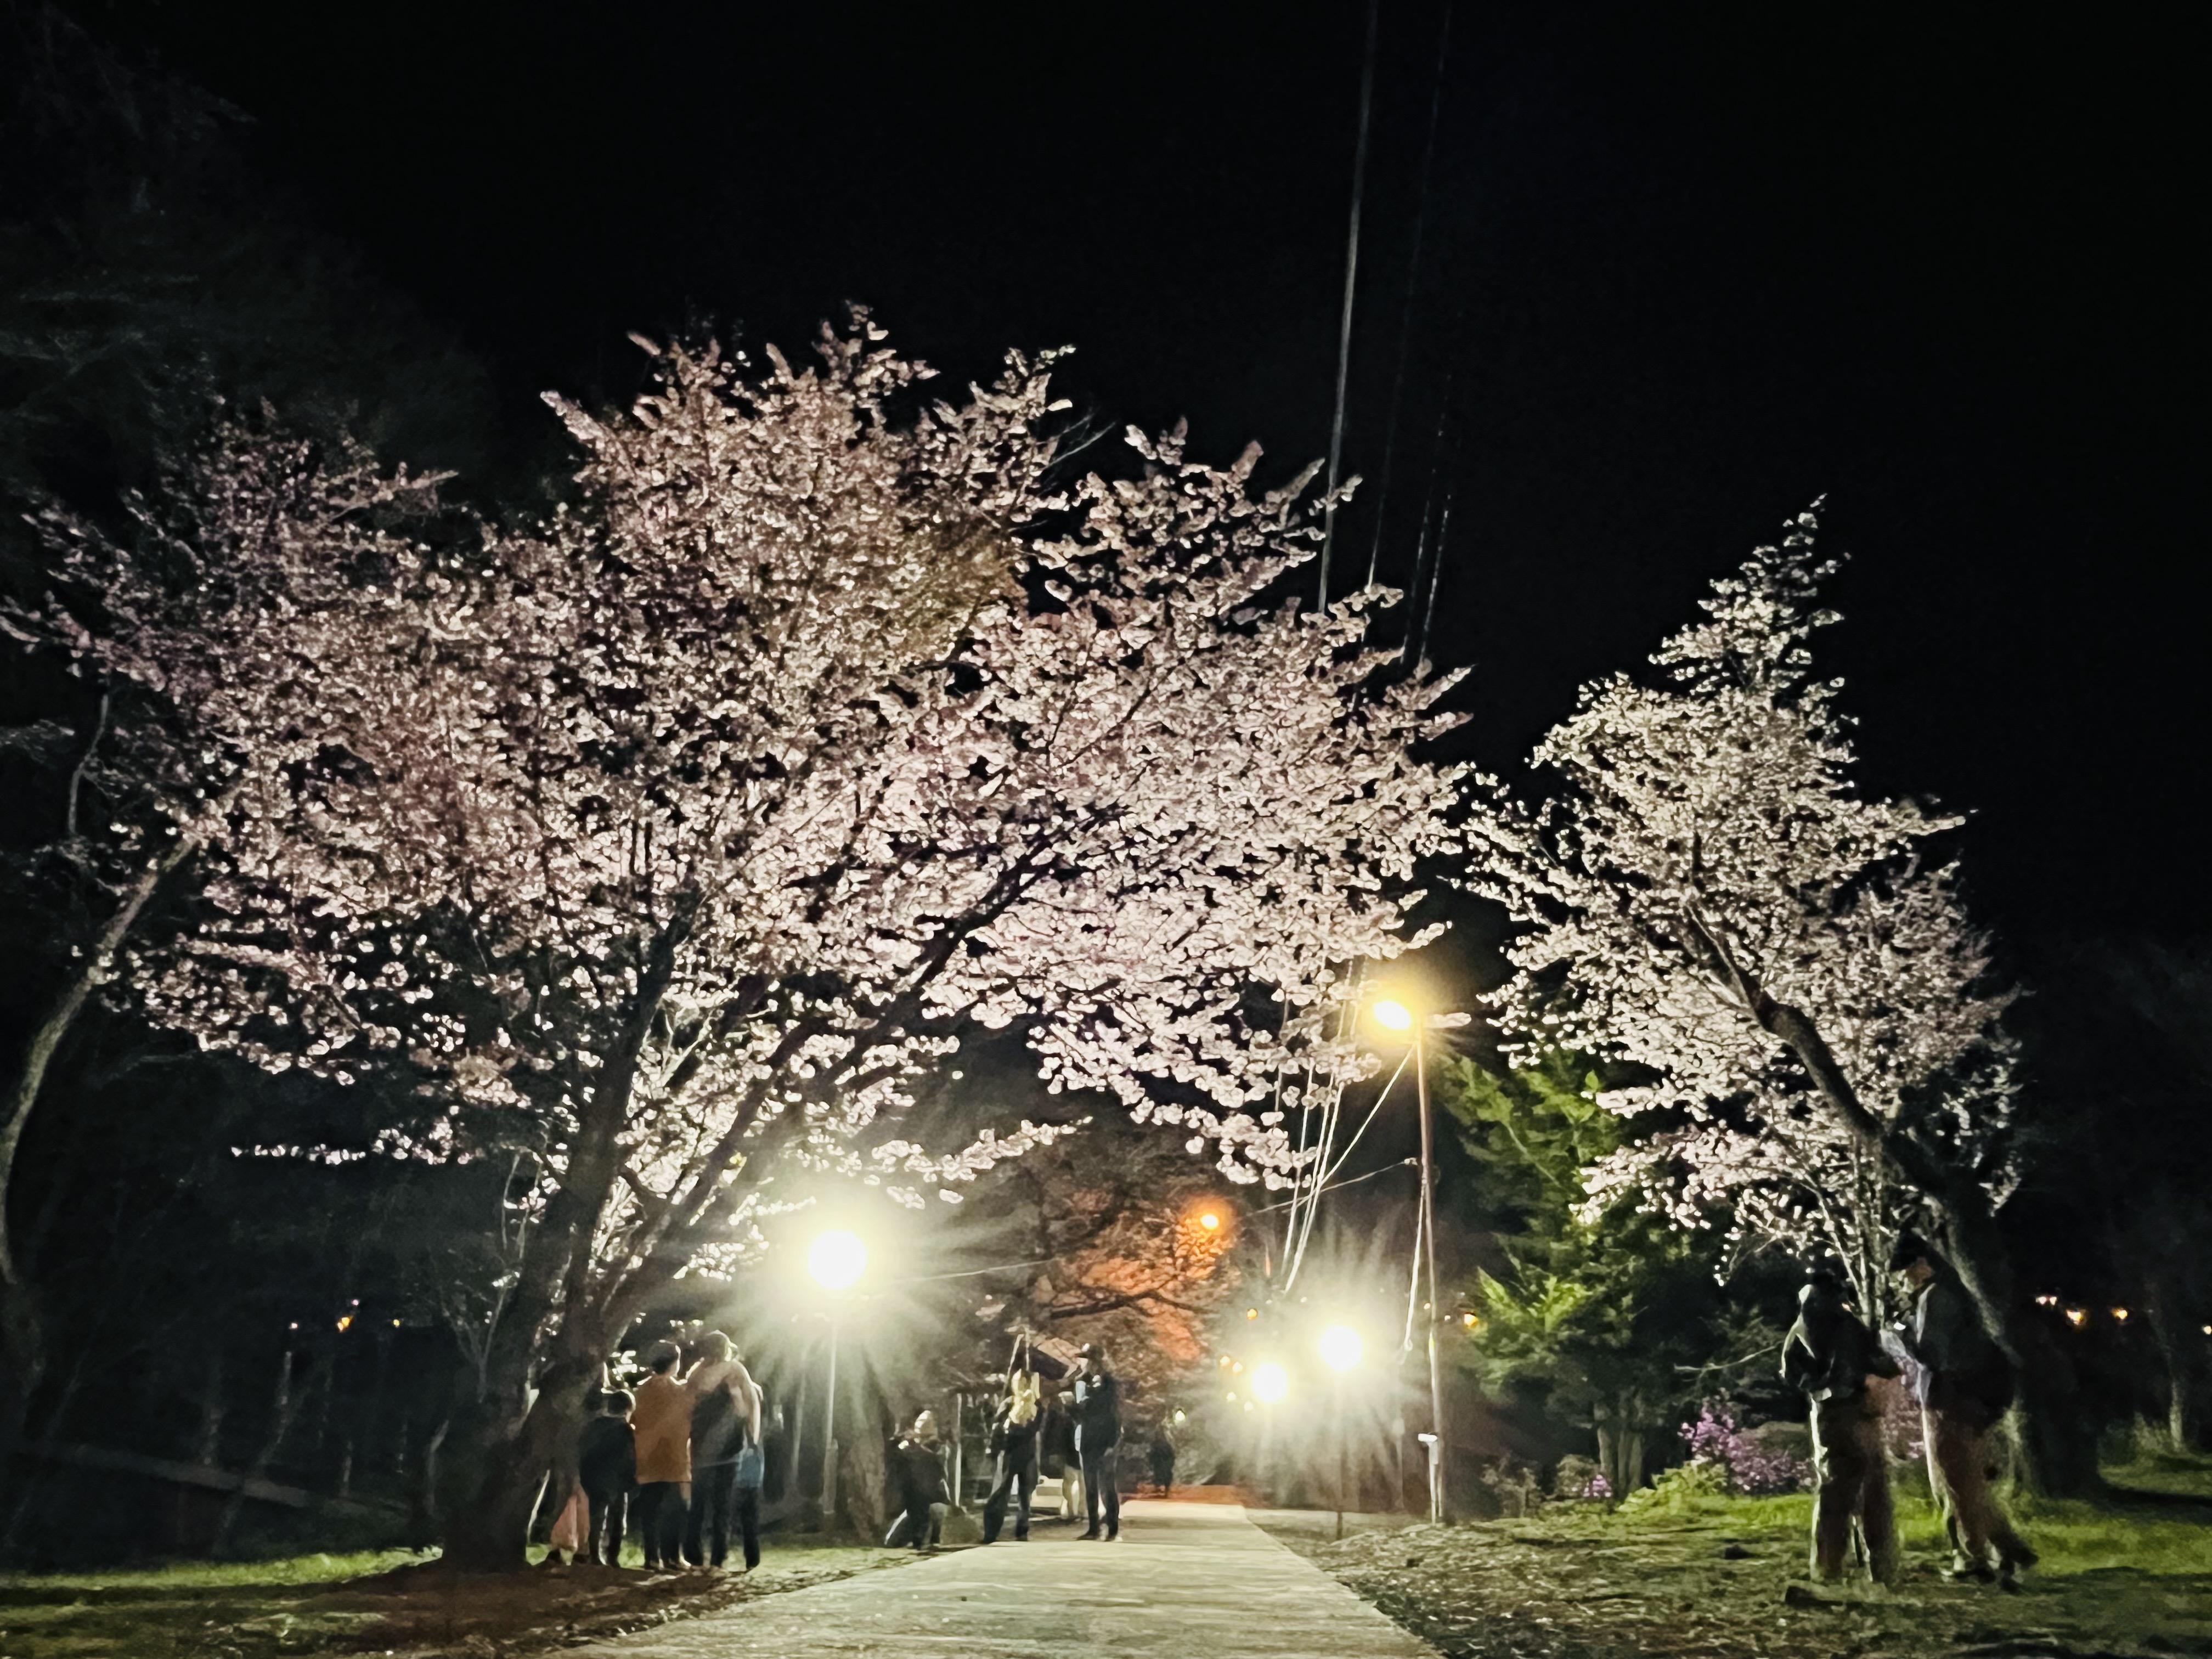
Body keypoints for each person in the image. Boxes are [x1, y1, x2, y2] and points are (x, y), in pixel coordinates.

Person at [1891, 1232, 2036, 1588]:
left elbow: (1931, 1354)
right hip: (1971, 1399)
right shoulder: (1959, 1297)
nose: (1902, 1278)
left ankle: (1974, 1557)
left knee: (1955, 1482)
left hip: (1948, 1399)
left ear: (1923, 1266)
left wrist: (1898, 1333)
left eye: (1905, 1270)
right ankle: (2008, 1549)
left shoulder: (1935, 1298)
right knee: (1968, 1480)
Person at [1781, 1270, 1900, 1585]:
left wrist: (1821, 1386)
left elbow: (1790, 1370)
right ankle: (1883, 1568)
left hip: (1827, 1414)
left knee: (1834, 1491)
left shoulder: (1801, 1327)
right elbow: (1879, 1363)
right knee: (1873, 1492)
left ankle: (1828, 1567)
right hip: (1859, 1412)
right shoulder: (1848, 1324)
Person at [682, 1331, 764, 1570]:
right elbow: (746, 1408)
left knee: (697, 1505)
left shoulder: (695, 1375)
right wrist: (752, 1437)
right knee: (722, 1507)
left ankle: (693, 1553)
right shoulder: (734, 1371)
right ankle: (719, 1555)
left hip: (699, 1448)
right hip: (729, 1449)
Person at [630, 1341, 692, 1571]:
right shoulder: (681, 1391)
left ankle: (652, 1557)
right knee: (675, 1509)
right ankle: (673, 1556)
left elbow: (633, 1421)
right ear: (674, 1363)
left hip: (647, 1457)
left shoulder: (639, 1392)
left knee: (650, 1511)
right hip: (674, 1457)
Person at [577, 1387, 637, 1568]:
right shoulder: (626, 1430)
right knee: (618, 1520)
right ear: (628, 1410)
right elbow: (630, 1457)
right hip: (617, 1480)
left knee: (597, 1517)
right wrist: (632, 1478)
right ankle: (612, 1556)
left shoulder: (593, 1426)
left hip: (594, 1477)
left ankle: (595, 1553)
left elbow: (583, 1450)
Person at [982, 1365, 1042, 1544]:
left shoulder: (1036, 1405)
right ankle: (991, 1532)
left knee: (1025, 1494)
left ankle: (1021, 1531)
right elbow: (996, 1426)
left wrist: (1014, 1428)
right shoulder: (1009, 1403)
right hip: (1009, 1453)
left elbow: (1034, 1429)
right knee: (1001, 1493)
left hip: (1024, 1453)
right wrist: (994, 1446)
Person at [1072, 1342, 1122, 1541]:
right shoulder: (1080, 1381)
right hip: (1087, 1438)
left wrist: (1113, 1442)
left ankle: (1112, 1527)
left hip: (1105, 1438)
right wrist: (1071, 1406)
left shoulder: (1109, 1382)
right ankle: (1093, 1528)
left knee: (1107, 1485)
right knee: (1090, 1485)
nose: (1085, 1363)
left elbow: (1113, 1412)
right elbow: (1080, 1414)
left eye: (1089, 1359)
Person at [885, 1410, 950, 1550]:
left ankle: (929, 1539)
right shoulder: (915, 1449)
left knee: (898, 1540)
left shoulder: (934, 1451)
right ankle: (927, 1539)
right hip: (923, 1504)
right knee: (893, 1540)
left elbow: (933, 1464)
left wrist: (909, 1446)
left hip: (929, 1503)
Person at [1147, 1423, 1177, 1497]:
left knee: (1164, 1474)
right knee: (1160, 1474)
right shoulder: (1156, 1443)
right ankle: (1162, 1488)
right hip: (1160, 1461)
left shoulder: (1166, 1441)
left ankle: (1165, 1489)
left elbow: (1171, 1453)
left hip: (1164, 1461)